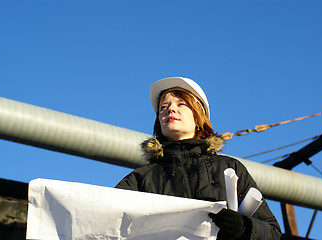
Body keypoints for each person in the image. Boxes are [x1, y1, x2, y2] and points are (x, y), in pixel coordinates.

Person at [116, 77, 282, 240]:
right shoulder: (140, 179)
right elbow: (108, 222)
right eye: (163, 107)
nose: (170, 110)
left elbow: (273, 233)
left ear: (198, 117)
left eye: (181, 104)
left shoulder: (230, 168)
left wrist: (245, 228)